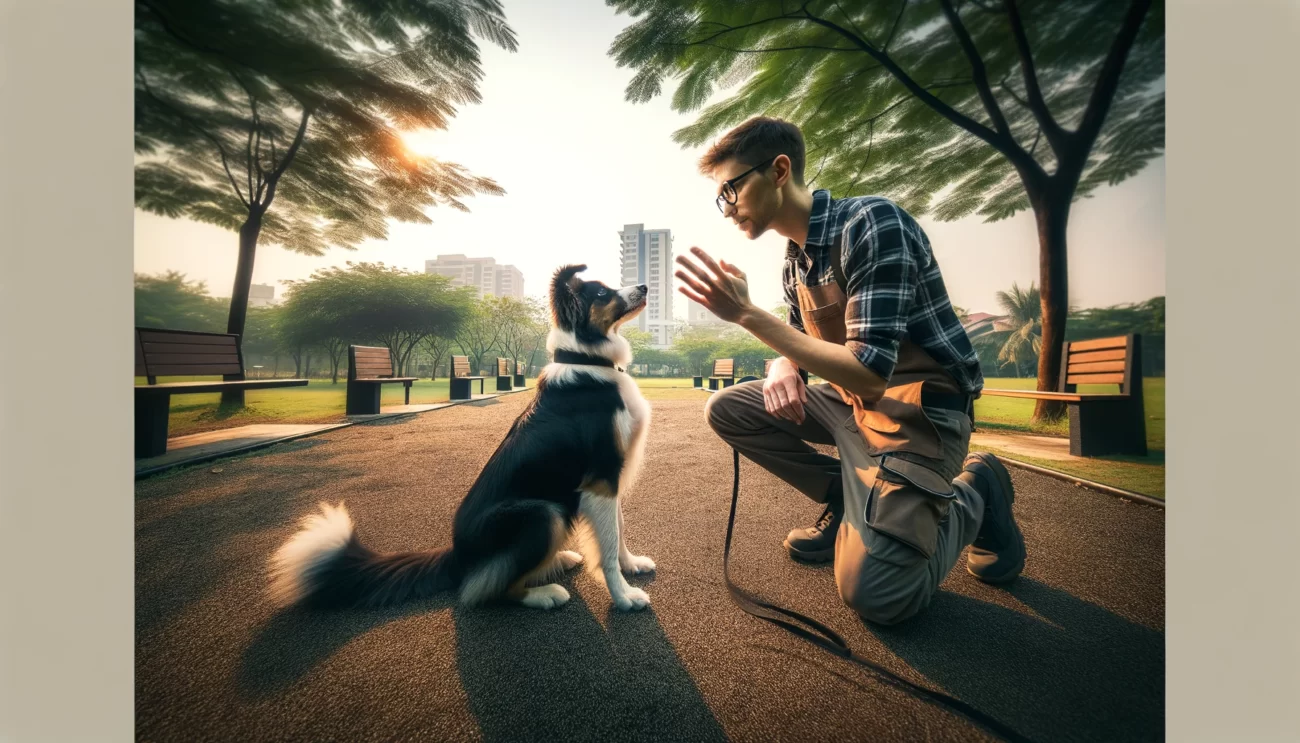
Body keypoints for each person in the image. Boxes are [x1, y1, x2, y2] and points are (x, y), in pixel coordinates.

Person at [675, 117, 1026, 626]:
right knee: (728, 408)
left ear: (778, 171)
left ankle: (977, 492)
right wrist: (780, 366)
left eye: (731, 188)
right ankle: (849, 499)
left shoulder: (870, 223)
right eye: (720, 196)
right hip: (851, 407)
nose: (726, 207)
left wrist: (748, 315)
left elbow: (868, 372)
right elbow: (798, 342)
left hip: (919, 413)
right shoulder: (795, 262)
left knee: (879, 597)